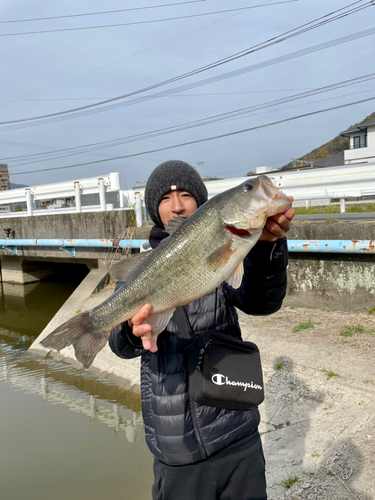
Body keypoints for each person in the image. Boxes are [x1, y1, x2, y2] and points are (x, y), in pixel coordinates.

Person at [109, 160, 295, 500]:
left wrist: (267, 247)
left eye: (185, 195)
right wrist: (129, 331)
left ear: (203, 204)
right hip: (176, 450)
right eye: (165, 198)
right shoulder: (141, 267)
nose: (177, 205)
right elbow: (118, 345)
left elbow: (261, 301)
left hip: (237, 434)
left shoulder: (230, 244)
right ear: (155, 208)